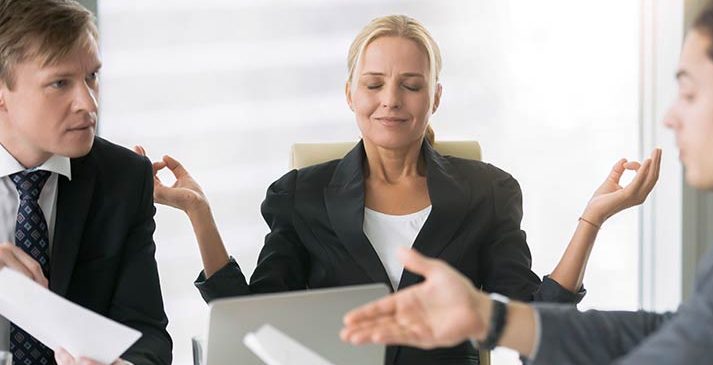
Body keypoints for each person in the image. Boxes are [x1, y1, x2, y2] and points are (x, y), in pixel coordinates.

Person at [139, 15, 658, 365]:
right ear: (350, 94)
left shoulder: (488, 191)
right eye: (374, 84)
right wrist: (200, 215)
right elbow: (253, 327)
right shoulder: (300, 195)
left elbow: (535, 325)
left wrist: (592, 220)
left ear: (435, 97)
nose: (391, 100)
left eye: (411, 86)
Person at [340, 0, 713, 364]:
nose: (670, 116)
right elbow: (675, 331)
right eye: (374, 85)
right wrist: (489, 317)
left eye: (690, 93)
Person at [0, 0, 172, 364]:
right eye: (60, 83)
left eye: (92, 76)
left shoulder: (123, 179)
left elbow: (148, 335)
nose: (89, 103)